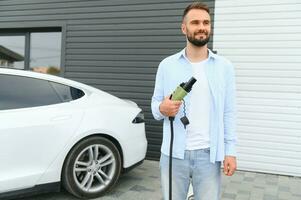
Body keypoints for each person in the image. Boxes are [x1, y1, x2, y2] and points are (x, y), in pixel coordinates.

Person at [151, 2, 237, 200]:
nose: (201, 27)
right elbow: (155, 106)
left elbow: (229, 112)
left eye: (206, 22)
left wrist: (230, 151)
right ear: (184, 28)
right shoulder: (167, 66)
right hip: (173, 155)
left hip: (209, 156)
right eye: (195, 22)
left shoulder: (224, 67)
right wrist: (162, 108)